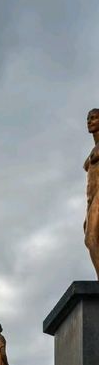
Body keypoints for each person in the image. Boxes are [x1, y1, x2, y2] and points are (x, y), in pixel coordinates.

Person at [84, 108, 99, 278]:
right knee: (92, 240)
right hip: (92, 198)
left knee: (91, 238)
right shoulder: (93, 150)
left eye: (94, 118)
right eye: (88, 118)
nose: (89, 121)